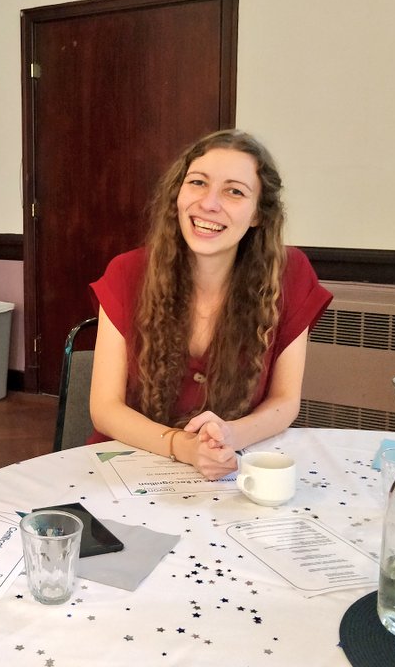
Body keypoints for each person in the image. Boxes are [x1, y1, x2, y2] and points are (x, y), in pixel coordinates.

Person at [88, 129, 332, 480]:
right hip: (129, 467)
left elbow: (285, 401)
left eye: (235, 191)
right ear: (178, 193)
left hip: (230, 465)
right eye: (198, 183)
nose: (209, 203)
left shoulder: (289, 275)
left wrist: (230, 435)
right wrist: (183, 446)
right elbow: (104, 409)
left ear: (258, 214)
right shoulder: (126, 272)